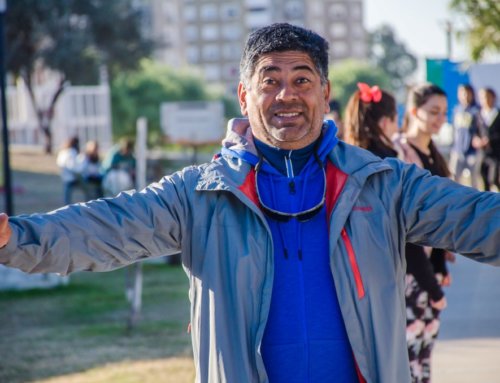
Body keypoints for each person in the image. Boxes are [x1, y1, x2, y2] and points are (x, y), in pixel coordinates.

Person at [0, 23, 499, 383]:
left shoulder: (382, 184)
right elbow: (104, 228)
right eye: (270, 80)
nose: (287, 94)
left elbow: (477, 219)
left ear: (325, 94)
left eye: (302, 79)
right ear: (244, 96)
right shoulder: (199, 193)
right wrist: (15, 237)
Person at [394, 83, 453, 383]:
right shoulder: (399, 154)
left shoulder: (435, 155)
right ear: (414, 111)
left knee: (425, 355)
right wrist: (430, 284)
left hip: (430, 272)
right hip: (409, 275)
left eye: (443, 112)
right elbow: (405, 229)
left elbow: (443, 217)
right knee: (407, 358)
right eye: (433, 111)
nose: (440, 118)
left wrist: (441, 265)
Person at [449, 84, 480, 188]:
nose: (465, 96)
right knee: (453, 178)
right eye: (462, 93)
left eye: (467, 93)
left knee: (473, 181)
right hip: (457, 150)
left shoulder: (477, 111)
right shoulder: (457, 110)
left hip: (472, 152)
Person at [474, 87, 500, 191]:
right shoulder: (479, 114)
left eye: (487, 97)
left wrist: (490, 139)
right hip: (482, 153)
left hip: (495, 153)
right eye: (482, 98)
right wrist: (476, 140)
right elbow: (475, 132)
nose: (484, 100)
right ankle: (487, 201)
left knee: (493, 179)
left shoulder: (497, 114)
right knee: (482, 175)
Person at [56, 136, 81, 205]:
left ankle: (66, 204)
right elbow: (72, 166)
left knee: (66, 193)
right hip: (71, 176)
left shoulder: (63, 151)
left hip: (64, 174)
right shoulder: (72, 152)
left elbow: (58, 162)